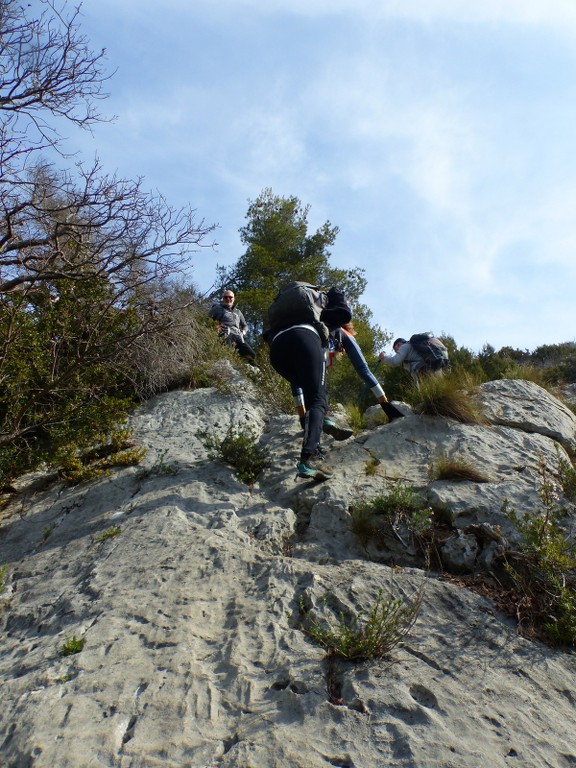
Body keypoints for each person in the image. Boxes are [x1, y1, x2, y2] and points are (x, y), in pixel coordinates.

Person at [268, 323, 334, 481]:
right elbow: (340, 314)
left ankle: (317, 433)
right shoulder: (318, 301)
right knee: (317, 400)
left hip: (276, 349)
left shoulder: (282, 305)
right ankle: (309, 457)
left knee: (312, 391)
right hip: (306, 338)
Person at [330, 323, 404, 421]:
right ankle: (386, 405)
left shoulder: (338, 329)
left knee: (365, 372)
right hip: (350, 344)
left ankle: (386, 405)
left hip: (350, 345)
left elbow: (337, 341)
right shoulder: (340, 330)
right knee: (365, 373)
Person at [209, 289, 257, 364]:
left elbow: (245, 325)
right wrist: (215, 327)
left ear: (234, 299)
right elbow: (208, 319)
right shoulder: (217, 308)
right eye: (226, 297)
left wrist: (243, 332)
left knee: (251, 355)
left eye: (230, 297)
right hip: (225, 334)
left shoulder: (238, 312)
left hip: (238, 336)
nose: (228, 299)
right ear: (223, 298)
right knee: (227, 353)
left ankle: (251, 371)